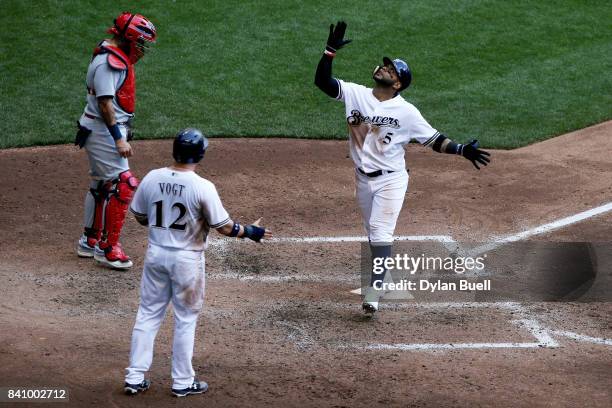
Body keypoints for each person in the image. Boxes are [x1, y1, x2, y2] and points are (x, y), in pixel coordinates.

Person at [314, 21, 491, 314]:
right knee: (373, 233)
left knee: (381, 232)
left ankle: (375, 290)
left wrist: (462, 149)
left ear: (397, 84)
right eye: (385, 66)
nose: (384, 69)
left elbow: (433, 139)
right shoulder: (356, 93)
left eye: (391, 71)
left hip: (391, 181)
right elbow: (323, 82)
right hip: (362, 180)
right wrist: (330, 50)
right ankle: (381, 275)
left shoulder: (407, 112)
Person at [123, 128, 272, 397]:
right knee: (185, 318)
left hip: (156, 254)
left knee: (148, 313)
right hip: (186, 261)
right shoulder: (202, 186)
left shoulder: (152, 177)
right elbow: (224, 227)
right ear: (200, 154)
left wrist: (161, 224)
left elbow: (140, 216)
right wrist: (250, 232)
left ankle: (134, 377)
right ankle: (182, 382)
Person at [75, 12, 157, 269]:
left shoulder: (112, 54)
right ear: (130, 38)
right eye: (141, 42)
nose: (142, 49)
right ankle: (108, 249)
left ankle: (90, 240)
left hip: (99, 128)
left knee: (102, 186)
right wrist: (118, 139)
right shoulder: (109, 62)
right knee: (123, 184)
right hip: (103, 130)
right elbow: (105, 104)